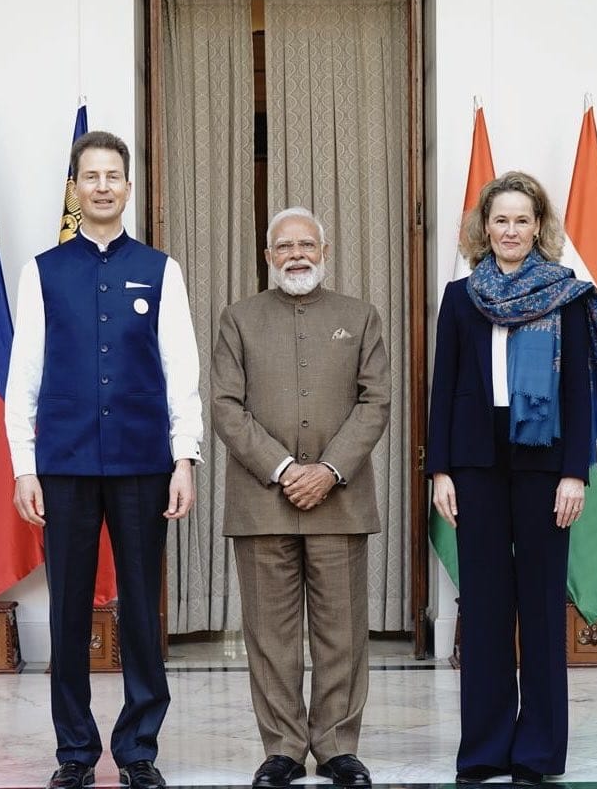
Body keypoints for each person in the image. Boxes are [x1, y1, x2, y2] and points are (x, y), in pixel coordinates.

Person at [5, 131, 203, 789]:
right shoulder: (44, 270)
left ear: (127, 185)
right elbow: (22, 379)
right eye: (90, 176)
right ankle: (75, 752)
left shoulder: (159, 268)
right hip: (62, 466)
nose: (102, 186)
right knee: (67, 612)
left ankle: (139, 747)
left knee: (141, 609)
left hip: (144, 465)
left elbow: (183, 374)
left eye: (113, 175)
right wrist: (23, 466)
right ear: (76, 186)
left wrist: (185, 459)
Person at [426, 172, 597, 786]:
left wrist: (576, 473)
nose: (511, 230)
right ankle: (485, 751)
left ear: (539, 227)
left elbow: (577, 392)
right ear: (483, 228)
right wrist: (440, 468)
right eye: (500, 220)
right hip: (475, 461)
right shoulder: (460, 297)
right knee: (487, 606)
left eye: (523, 220)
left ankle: (538, 754)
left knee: (543, 609)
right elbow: (444, 389)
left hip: (545, 462)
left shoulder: (566, 297)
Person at [211, 207, 391, 789]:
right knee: (270, 637)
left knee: (342, 632)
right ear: (268, 257)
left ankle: (338, 746)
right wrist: (285, 467)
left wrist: (329, 469)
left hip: (339, 500)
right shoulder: (238, 319)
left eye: (306, 244)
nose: (296, 254)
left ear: (325, 250)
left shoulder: (360, 317)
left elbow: (376, 402)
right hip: (262, 502)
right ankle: (283, 749)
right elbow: (225, 407)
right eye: (283, 246)